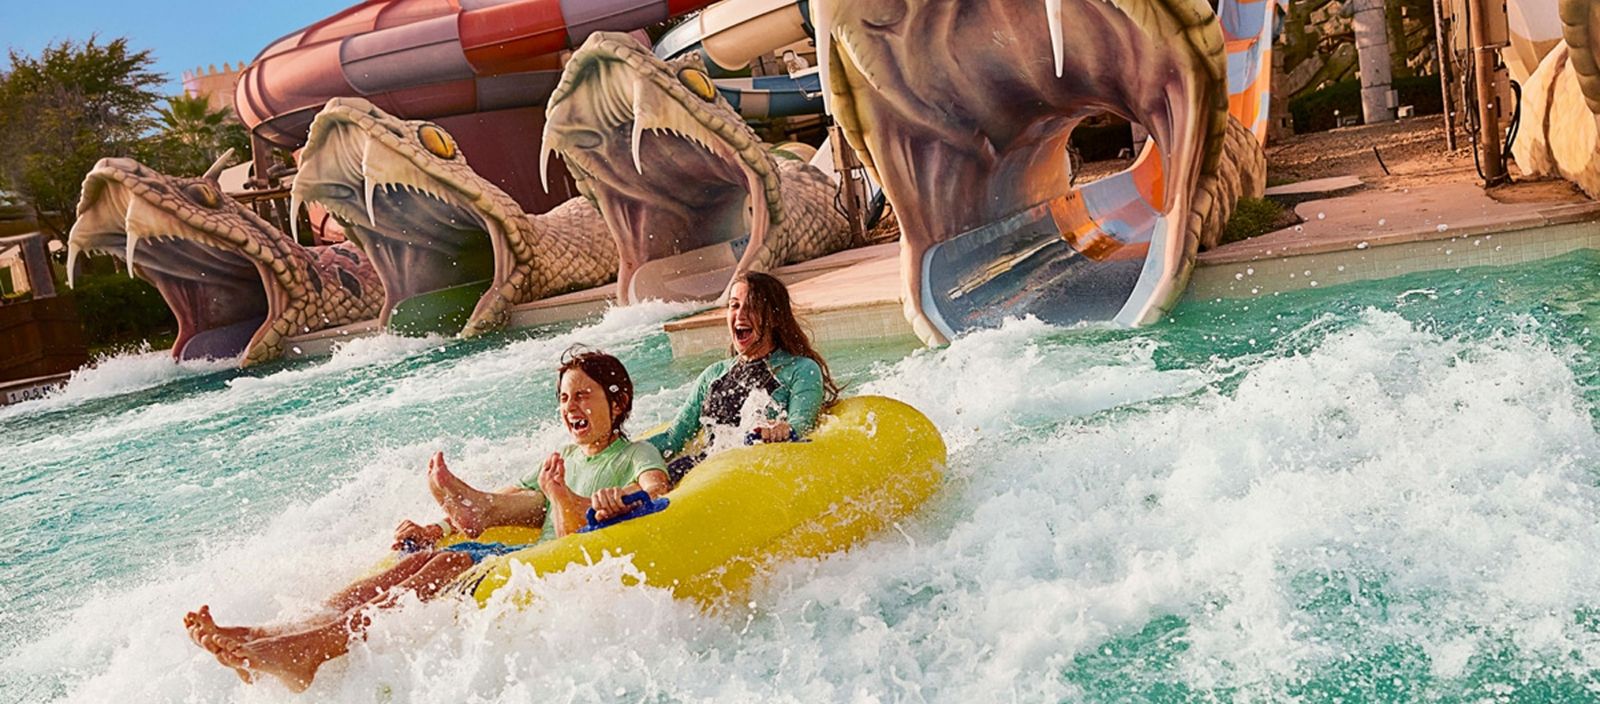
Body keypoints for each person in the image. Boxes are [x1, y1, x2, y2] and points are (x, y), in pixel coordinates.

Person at [183, 347, 669, 692]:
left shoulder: (635, 453)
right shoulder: (564, 455)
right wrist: (439, 527)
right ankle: (274, 633)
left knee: (445, 565)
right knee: (411, 565)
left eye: (583, 396)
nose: (570, 407)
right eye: (564, 398)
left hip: (552, 557)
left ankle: (311, 651)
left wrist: (615, 497)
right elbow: (514, 496)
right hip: (516, 550)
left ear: (617, 403)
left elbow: (656, 489)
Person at [649, 271, 840, 479]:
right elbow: (673, 439)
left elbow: (801, 425)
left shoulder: (801, 369)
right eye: (734, 305)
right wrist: (630, 449)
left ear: (775, 317)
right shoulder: (713, 375)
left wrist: (780, 430)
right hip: (709, 471)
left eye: (751, 306)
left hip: (754, 473)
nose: (740, 315)